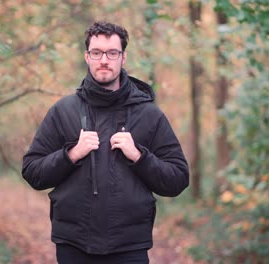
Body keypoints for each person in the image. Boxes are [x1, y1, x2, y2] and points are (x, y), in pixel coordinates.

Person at [22, 21, 189, 264]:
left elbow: (178, 179)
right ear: (87, 56)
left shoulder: (149, 115)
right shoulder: (63, 111)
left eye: (112, 53)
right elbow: (32, 172)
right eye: (97, 52)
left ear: (123, 57)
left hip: (129, 247)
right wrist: (71, 154)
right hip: (73, 245)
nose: (104, 60)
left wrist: (139, 157)